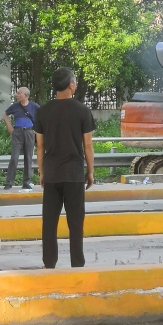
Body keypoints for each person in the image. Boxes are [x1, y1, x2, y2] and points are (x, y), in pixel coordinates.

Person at [34, 67, 95, 268]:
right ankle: (77, 263)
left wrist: (42, 172)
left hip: (52, 173)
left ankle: (49, 263)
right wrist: (90, 172)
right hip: (74, 174)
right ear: (71, 85)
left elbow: (40, 146)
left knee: (49, 222)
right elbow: (87, 145)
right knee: (75, 223)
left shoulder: (43, 111)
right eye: (75, 82)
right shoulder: (82, 110)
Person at [3, 87, 40, 190]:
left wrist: (37, 129)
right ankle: (9, 182)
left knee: (28, 158)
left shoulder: (34, 106)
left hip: (29, 132)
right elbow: (5, 114)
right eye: (17, 93)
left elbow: (42, 116)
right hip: (17, 132)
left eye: (19, 93)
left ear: (26, 95)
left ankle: (26, 182)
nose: (17, 95)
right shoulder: (15, 106)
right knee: (14, 158)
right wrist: (9, 127)